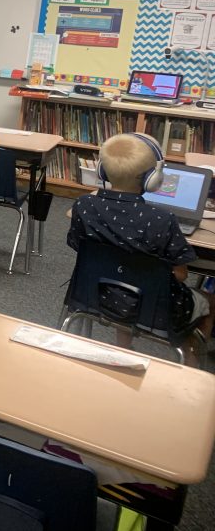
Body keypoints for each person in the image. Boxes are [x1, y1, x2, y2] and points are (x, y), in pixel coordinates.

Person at [67, 133, 215, 365]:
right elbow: (181, 274)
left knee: (124, 270)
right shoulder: (163, 219)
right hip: (154, 307)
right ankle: (191, 360)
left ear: (102, 171)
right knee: (210, 300)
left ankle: (123, 347)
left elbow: (78, 245)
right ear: (152, 178)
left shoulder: (84, 205)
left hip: (96, 294)